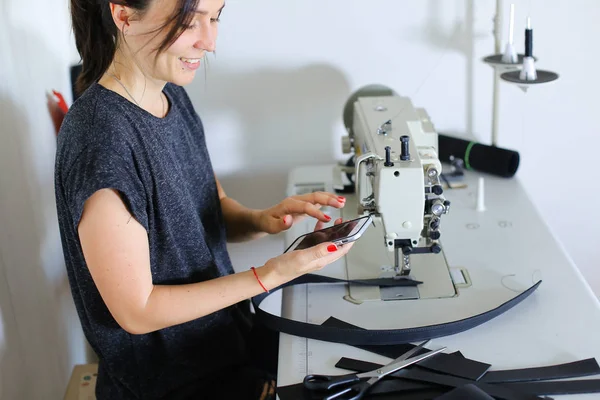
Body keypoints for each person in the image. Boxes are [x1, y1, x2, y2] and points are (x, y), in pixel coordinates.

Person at [54, 0, 355, 399]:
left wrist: (261, 220)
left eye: (214, 18)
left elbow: (209, 208)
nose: (209, 42)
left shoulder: (170, 96)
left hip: (227, 354)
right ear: (124, 15)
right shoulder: (101, 143)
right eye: (188, 22)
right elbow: (137, 311)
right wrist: (273, 273)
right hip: (173, 386)